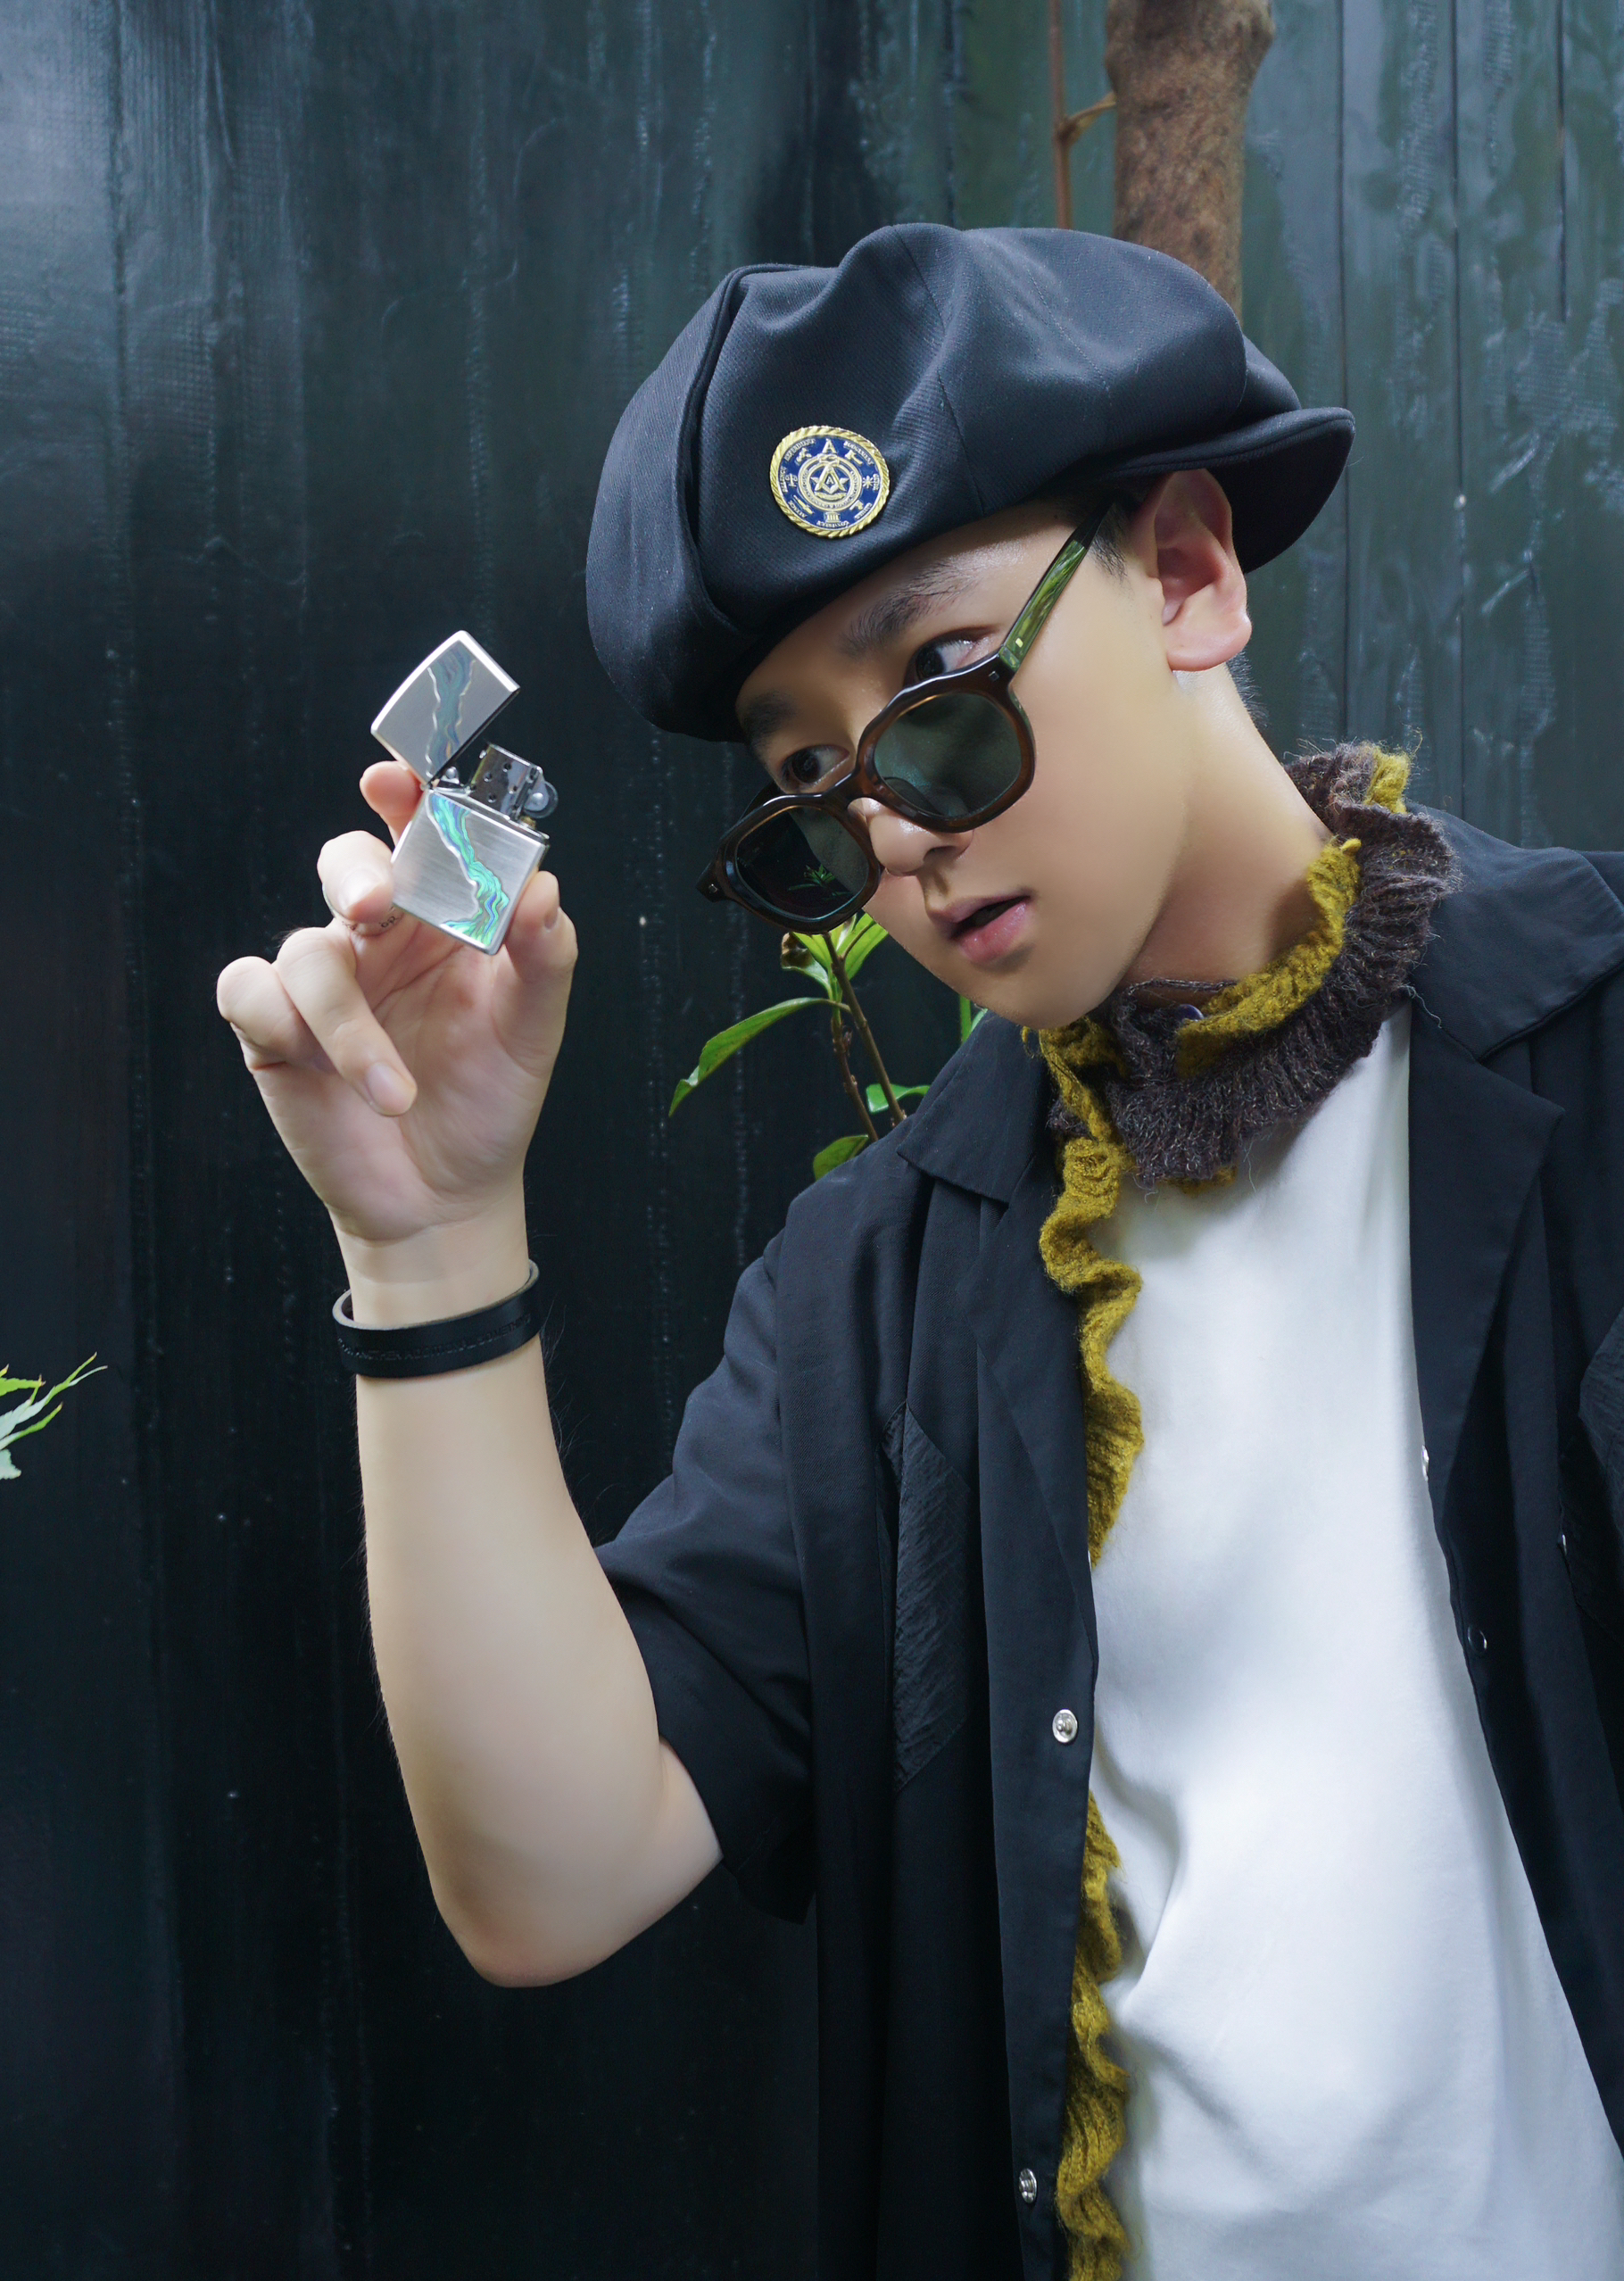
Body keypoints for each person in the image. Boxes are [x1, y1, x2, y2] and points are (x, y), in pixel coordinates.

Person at [216, 225, 1624, 2280]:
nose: (894, 830)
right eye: (807, 786)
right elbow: (552, 1873)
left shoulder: (1597, 1054)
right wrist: (426, 1234)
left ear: (1186, 570)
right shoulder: (875, 1295)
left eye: (941, 693)